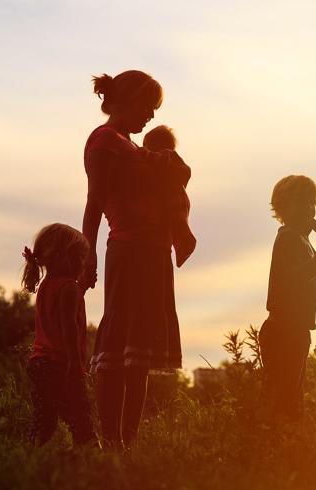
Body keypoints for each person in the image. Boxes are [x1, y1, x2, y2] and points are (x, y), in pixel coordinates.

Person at [82, 70, 192, 448]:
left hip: (155, 254)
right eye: (146, 106)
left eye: (154, 109)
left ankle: (127, 441)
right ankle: (111, 440)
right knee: (117, 345)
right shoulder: (104, 142)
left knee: (139, 350)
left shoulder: (131, 145)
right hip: (128, 253)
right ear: (125, 101)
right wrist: (88, 255)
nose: (150, 116)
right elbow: (95, 202)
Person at [259, 175, 316, 422]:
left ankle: (290, 446)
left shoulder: (302, 240)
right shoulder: (288, 237)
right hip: (284, 328)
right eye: (302, 202)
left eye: (312, 202)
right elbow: (294, 279)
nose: (310, 208)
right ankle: (278, 447)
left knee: (292, 397)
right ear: (283, 207)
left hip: (296, 328)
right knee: (283, 398)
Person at [22, 223, 98, 447]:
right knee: (79, 414)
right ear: (68, 258)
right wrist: (75, 364)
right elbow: (68, 329)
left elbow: (61, 311)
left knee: (45, 417)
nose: (83, 264)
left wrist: (81, 288)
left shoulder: (48, 286)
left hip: (39, 363)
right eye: (81, 257)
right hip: (61, 364)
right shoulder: (69, 289)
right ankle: (91, 455)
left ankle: (31, 453)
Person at [143, 125, 196, 267]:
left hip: (175, 199)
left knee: (178, 222)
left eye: (146, 145)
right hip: (175, 199)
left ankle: (185, 243)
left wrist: (144, 154)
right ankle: (182, 244)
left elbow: (184, 171)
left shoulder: (166, 156)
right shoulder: (169, 161)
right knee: (177, 224)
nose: (144, 148)